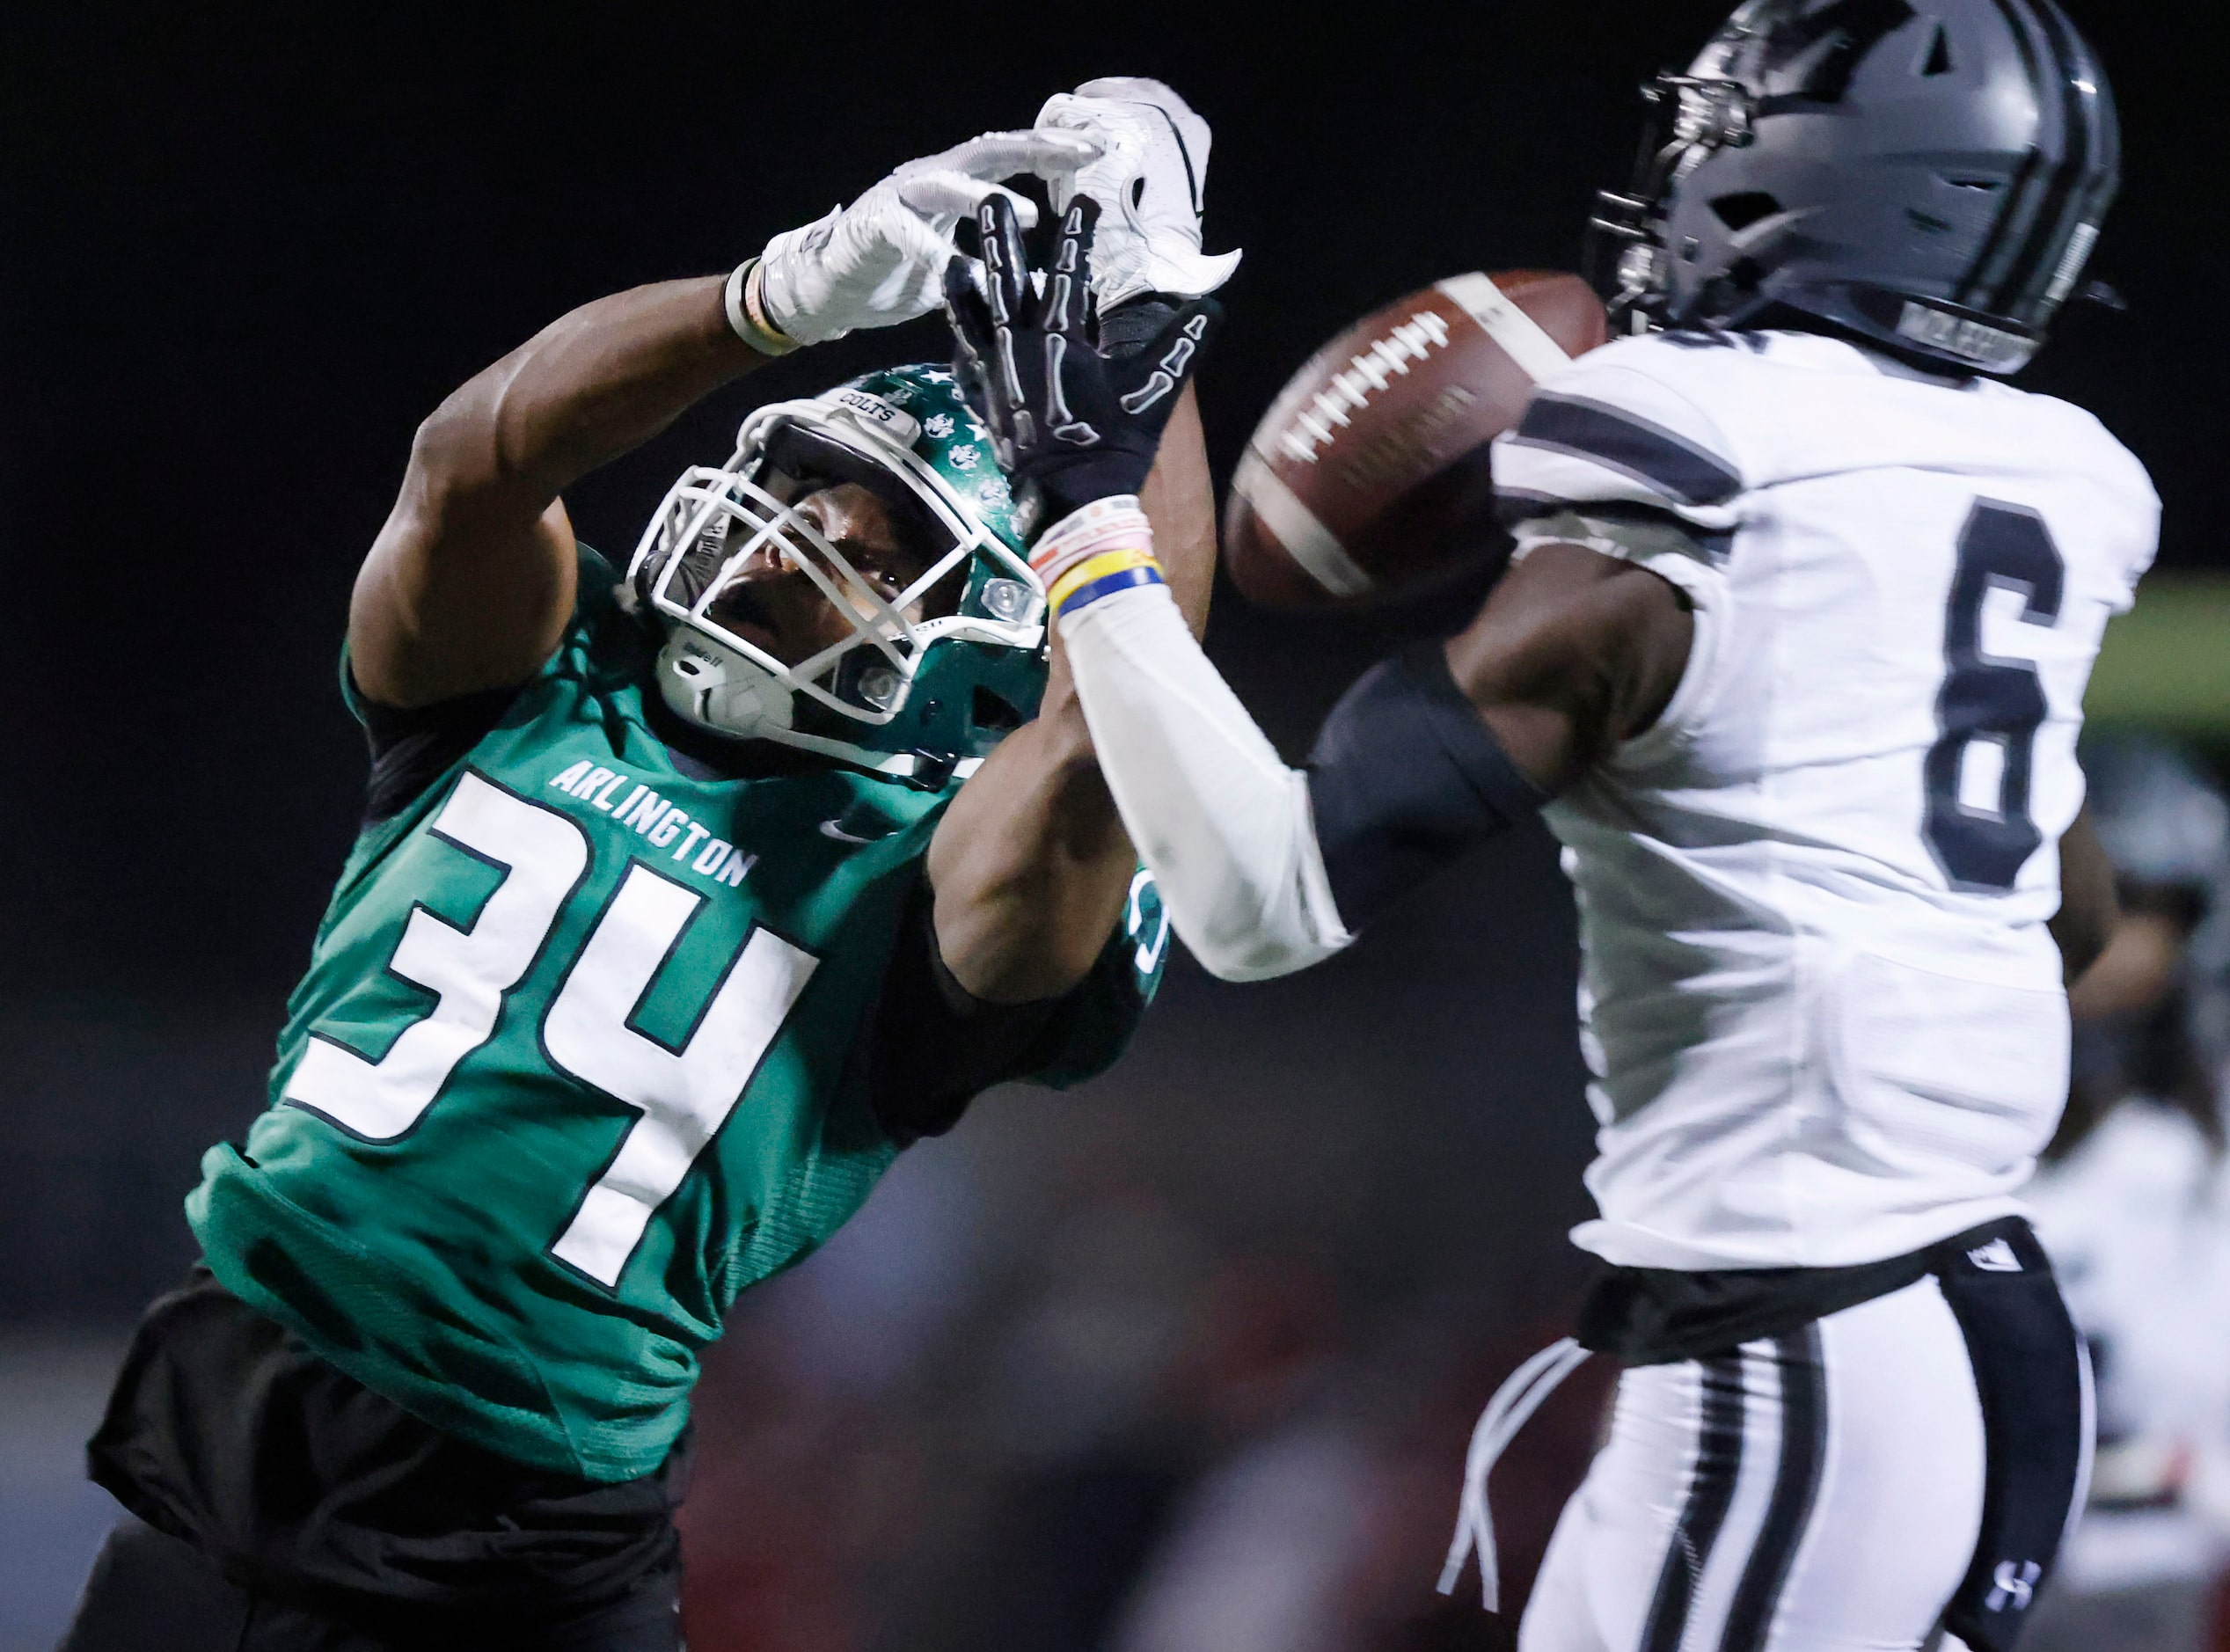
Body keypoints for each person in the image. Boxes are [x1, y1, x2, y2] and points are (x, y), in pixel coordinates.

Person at [942, 4, 2156, 1649]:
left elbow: (1261, 901)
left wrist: (1089, 526)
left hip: (1805, 1348)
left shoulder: (1703, 459)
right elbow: (2069, 919)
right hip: (1963, 1323)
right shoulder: (2043, 480)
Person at [58, 79, 1237, 1652]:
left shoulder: (927, 871)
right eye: (807, 483)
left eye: (873, 537)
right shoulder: (555, 670)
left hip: (519, 1545)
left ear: (978, 644)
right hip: (228, 1428)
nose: (790, 532)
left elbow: (1110, 744)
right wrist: (782, 291)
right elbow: (471, 458)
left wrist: (1132, 375)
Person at [2024, 736, 2230, 1652]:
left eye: (2145, 909)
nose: (2112, 944)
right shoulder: (1927, 1115)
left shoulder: (2196, 1146)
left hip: (2160, 1583)